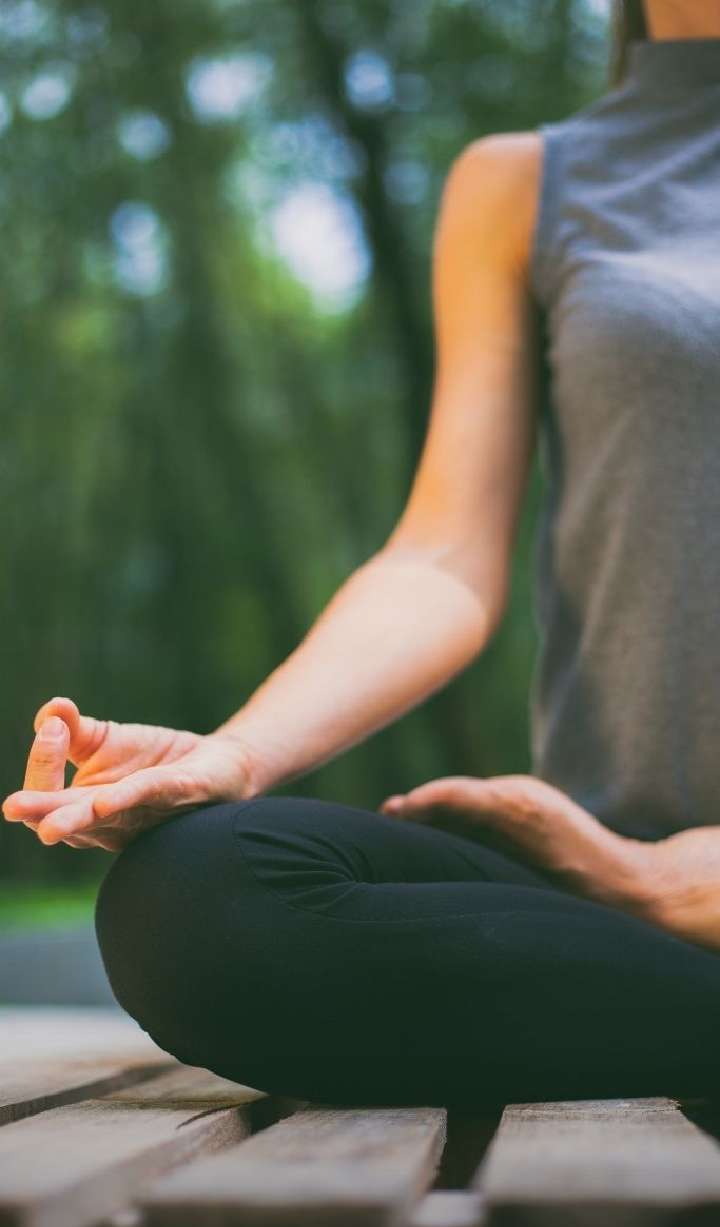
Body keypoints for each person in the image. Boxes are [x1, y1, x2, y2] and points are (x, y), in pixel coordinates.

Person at [4, 0, 720, 1106]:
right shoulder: (527, 184)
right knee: (201, 894)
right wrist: (239, 754)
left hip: (652, 891)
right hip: (606, 884)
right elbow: (442, 556)